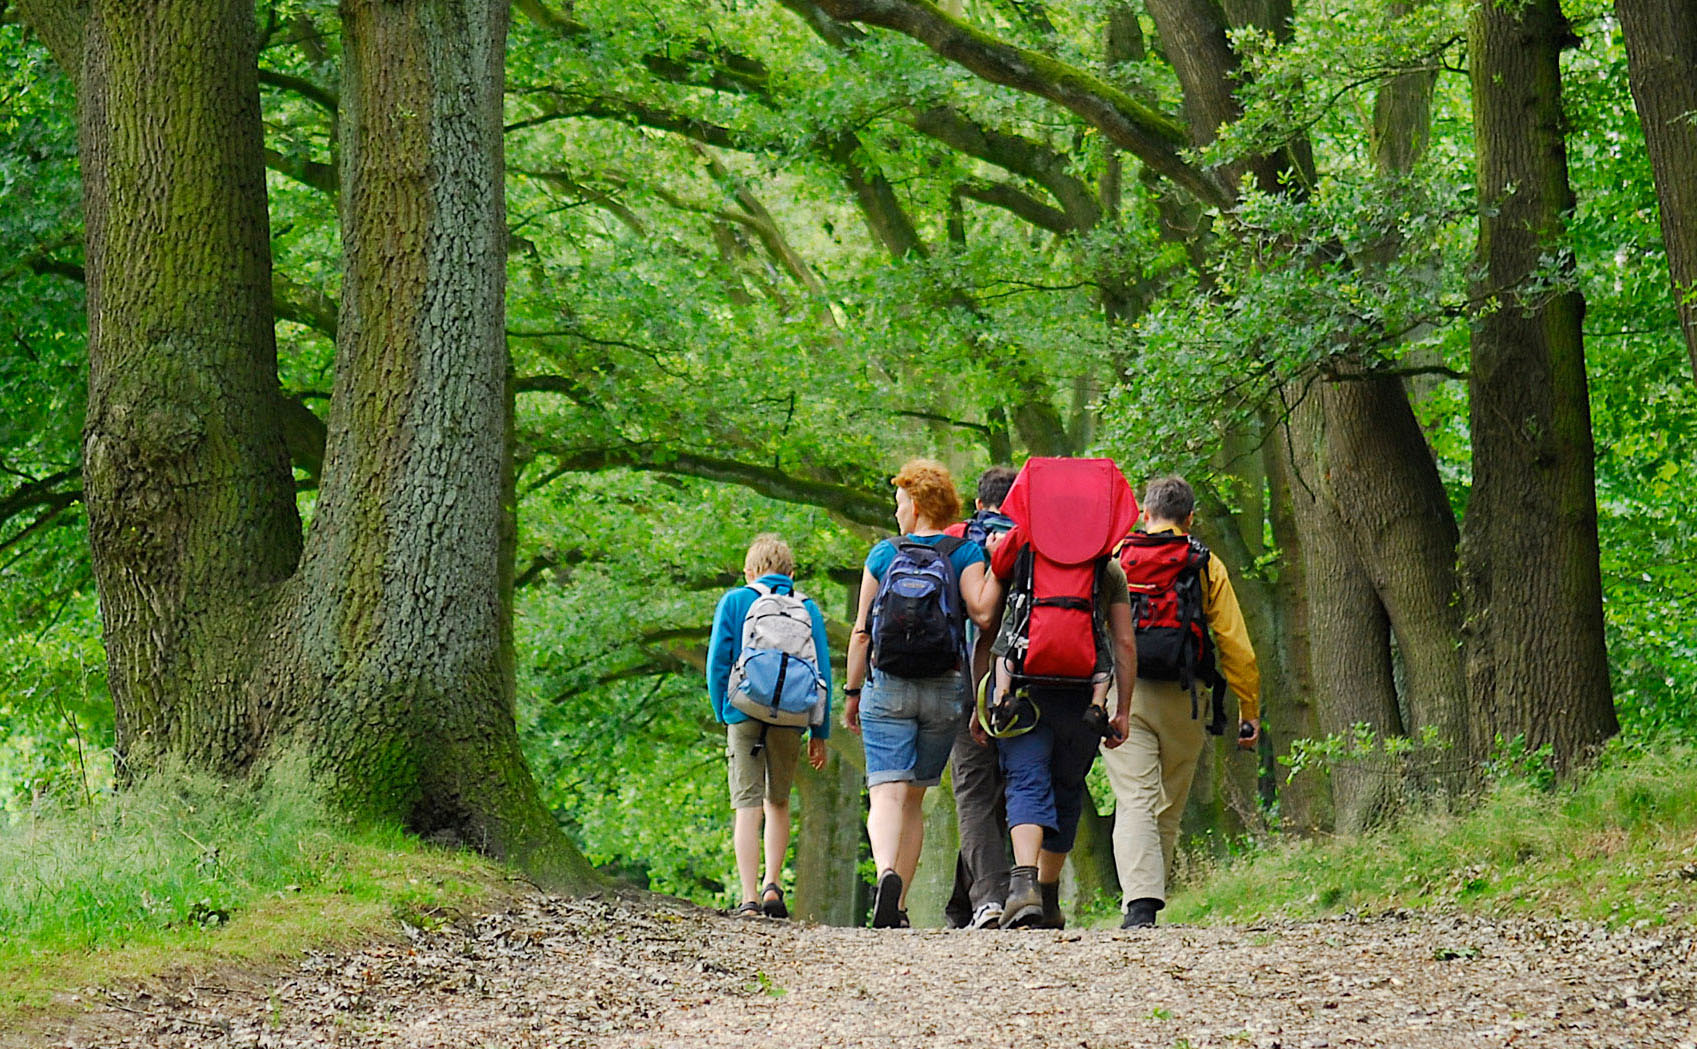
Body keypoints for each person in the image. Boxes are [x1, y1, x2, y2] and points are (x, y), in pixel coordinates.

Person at [979, 457, 1140, 930]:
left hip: (1023, 691)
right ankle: (1048, 896)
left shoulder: (1022, 551)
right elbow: (1124, 642)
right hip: (1085, 697)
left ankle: (1023, 886)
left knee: (1026, 782)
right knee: (1067, 788)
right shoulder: (1107, 567)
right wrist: (1121, 709)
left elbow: (998, 622)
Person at [843, 459, 1002, 929]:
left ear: (914, 505)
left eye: (899, 504)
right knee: (914, 799)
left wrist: (853, 691)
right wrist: (996, 562)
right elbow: (984, 616)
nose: (897, 514)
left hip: (887, 686)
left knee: (885, 795)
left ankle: (887, 874)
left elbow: (860, 632)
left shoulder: (882, 554)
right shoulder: (964, 553)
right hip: (944, 690)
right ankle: (901, 905)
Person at [1099, 476, 1261, 928]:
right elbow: (1235, 644)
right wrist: (1249, 709)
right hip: (1186, 696)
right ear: (1189, 520)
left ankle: (1140, 903)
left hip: (1122, 693)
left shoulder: (1116, 558)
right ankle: (1148, 901)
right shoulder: (1204, 563)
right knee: (1166, 803)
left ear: (1145, 515)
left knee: (1134, 799)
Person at [706, 534, 831, 919]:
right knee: (777, 801)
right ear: (791, 573)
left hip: (744, 711)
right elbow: (822, 670)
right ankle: (773, 884)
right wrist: (819, 732)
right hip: (791, 716)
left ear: (749, 571)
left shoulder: (736, 601)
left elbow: (717, 662)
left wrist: (724, 711)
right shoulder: (806, 607)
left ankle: (748, 898)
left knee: (747, 805)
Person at [942, 465, 1018, 930]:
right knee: (1008, 793)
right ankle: (965, 903)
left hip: (963, 678)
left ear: (978, 504)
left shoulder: (956, 544)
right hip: (1030, 678)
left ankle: (988, 899)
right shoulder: (1035, 543)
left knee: (973, 791)